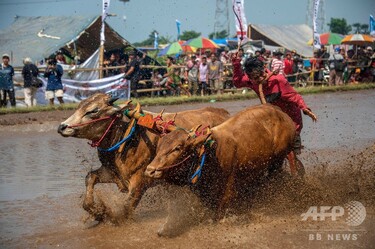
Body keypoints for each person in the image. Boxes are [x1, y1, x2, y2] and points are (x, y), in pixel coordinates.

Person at [231, 55, 317, 157]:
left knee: (290, 153)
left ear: (263, 70)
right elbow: (237, 82)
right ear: (250, 78)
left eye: (260, 76)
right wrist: (236, 64)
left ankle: (297, 170)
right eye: (255, 78)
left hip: (291, 119)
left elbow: (294, 96)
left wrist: (305, 108)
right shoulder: (252, 81)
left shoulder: (278, 80)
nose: (260, 80)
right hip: (272, 119)